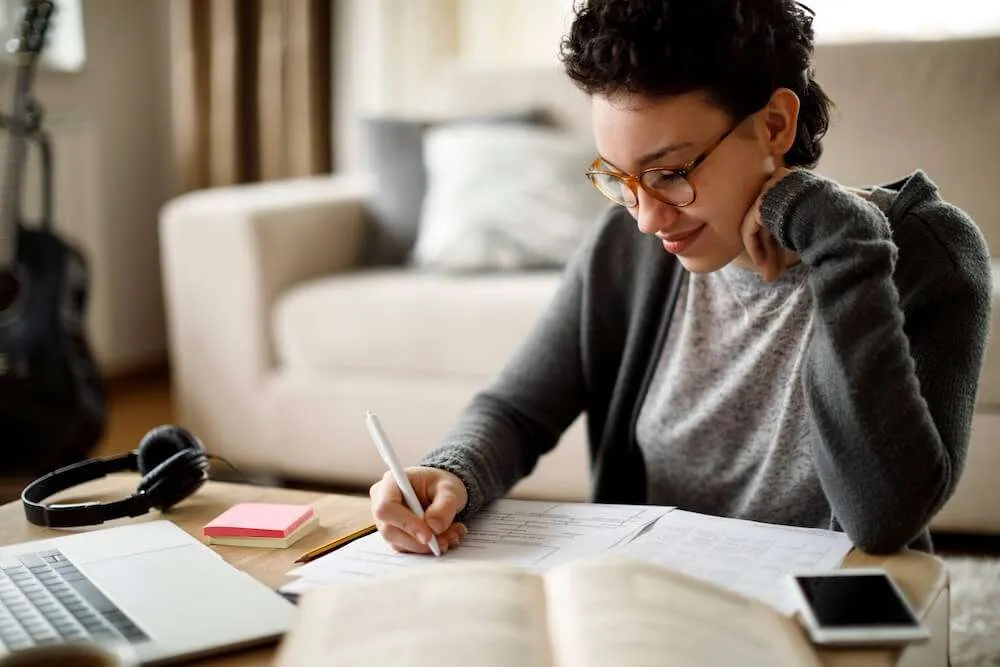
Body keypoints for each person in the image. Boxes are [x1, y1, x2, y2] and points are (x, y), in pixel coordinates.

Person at [368, 0, 992, 555]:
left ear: (775, 124)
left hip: (823, 618)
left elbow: (883, 520)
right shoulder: (626, 246)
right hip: (650, 602)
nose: (645, 220)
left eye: (670, 172)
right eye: (620, 178)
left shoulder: (926, 251)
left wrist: (840, 239)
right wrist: (455, 471)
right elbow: (517, 408)